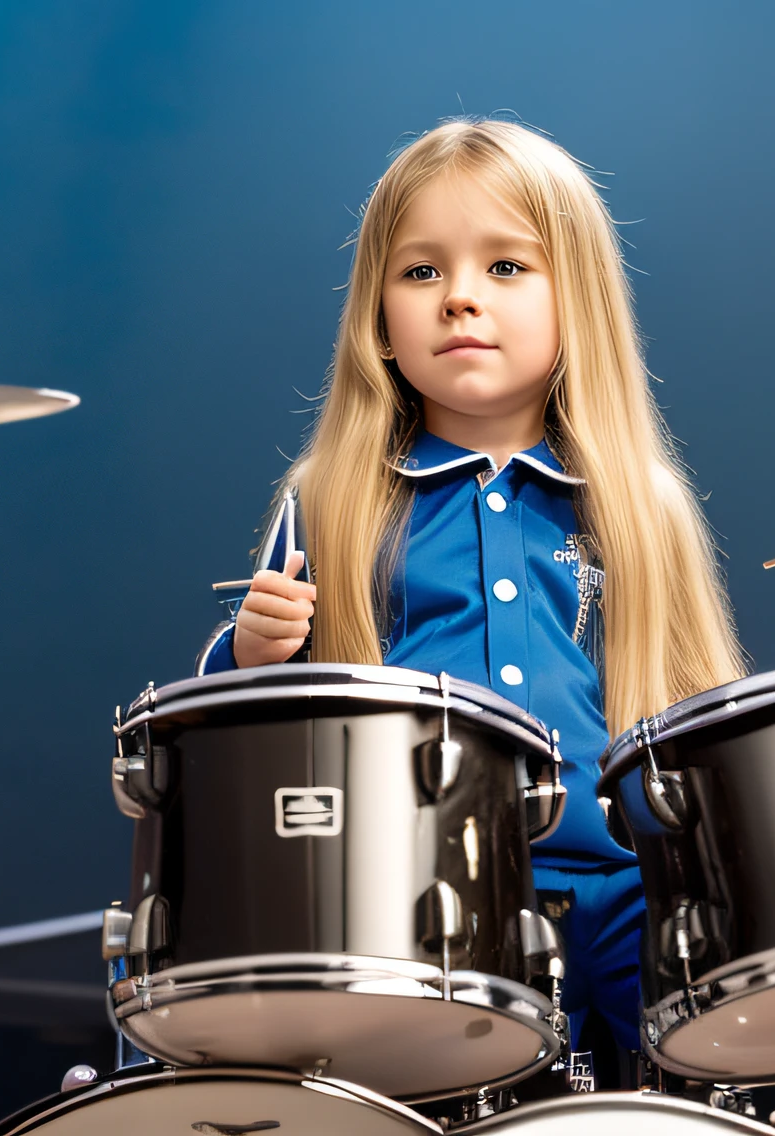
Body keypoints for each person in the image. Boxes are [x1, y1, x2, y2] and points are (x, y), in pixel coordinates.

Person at [196, 118, 743, 1076]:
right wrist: (247, 653)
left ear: (579, 299)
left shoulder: (640, 503)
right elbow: (241, 740)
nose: (458, 299)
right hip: (409, 898)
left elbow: (701, 718)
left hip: (623, 887)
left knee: (719, 1046)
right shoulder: (330, 495)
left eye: (505, 268)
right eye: (419, 273)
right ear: (376, 313)